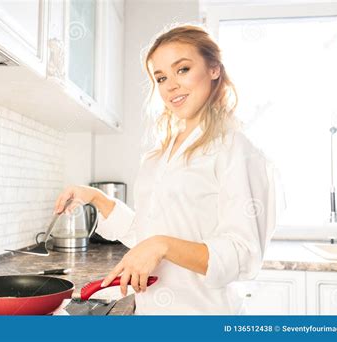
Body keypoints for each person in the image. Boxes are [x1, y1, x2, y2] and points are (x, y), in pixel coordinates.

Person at [53, 24, 276, 315]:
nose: (170, 85)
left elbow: (243, 255)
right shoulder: (160, 154)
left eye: (182, 69)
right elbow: (147, 235)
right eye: (160, 77)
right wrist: (96, 198)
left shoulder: (236, 149)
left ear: (213, 69)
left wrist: (163, 245)